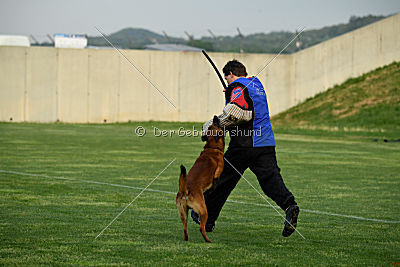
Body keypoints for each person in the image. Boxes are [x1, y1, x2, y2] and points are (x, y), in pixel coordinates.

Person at [192, 59, 299, 237]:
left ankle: (206, 218)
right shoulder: (255, 84)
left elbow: (239, 113)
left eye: (227, 79)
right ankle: (290, 206)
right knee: (270, 181)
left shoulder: (236, 87)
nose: (228, 82)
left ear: (231, 75)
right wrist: (231, 95)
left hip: (245, 144)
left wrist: (212, 124)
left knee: (223, 180)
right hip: (265, 142)